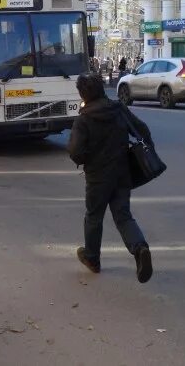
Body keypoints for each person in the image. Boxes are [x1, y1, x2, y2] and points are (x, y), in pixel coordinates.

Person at [68, 73, 154, 283]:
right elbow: (142, 130)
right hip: (122, 172)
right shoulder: (119, 109)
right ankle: (140, 248)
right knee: (123, 215)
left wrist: (87, 158)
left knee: (94, 216)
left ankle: (92, 258)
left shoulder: (84, 118)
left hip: (98, 177)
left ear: (82, 94)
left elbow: (75, 152)